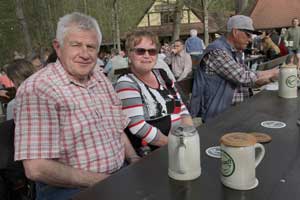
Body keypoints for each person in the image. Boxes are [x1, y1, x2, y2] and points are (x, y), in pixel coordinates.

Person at [13, 12, 139, 200]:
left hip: (118, 175)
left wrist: (134, 159)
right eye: (76, 45)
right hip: (70, 189)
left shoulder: (99, 77)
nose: (85, 54)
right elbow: (36, 168)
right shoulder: (38, 89)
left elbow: (117, 128)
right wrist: (104, 181)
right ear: (58, 46)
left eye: (91, 47)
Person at [115, 30, 193, 155]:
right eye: (140, 51)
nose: (147, 55)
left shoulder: (161, 74)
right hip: (153, 152)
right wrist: (174, 145)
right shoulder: (126, 83)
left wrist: (190, 136)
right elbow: (138, 126)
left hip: (179, 143)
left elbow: (181, 109)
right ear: (129, 55)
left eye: (152, 51)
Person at [190, 15, 279, 122]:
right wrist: (276, 73)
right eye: (248, 35)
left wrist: (273, 75)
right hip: (220, 115)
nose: (250, 40)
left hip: (236, 110)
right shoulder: (217, 52)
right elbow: (243, 78)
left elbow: (250, 75)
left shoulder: (233, 52)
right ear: (235, 32)